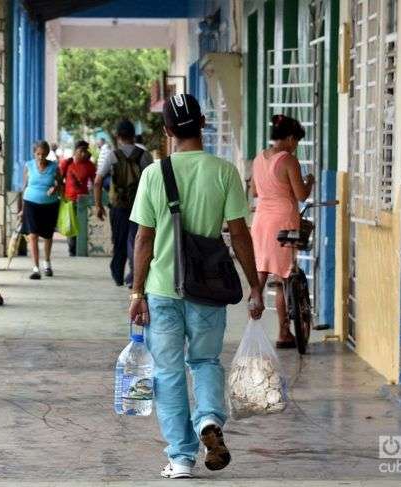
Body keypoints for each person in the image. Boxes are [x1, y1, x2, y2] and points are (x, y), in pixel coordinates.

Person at [128, 94, 265, 479]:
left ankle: (182, 458)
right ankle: (208, 420)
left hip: (162, 290)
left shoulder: (155, 174)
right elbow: (239, 235)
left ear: (167, 131)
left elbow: (144, 238)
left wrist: (136, 293)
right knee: (205, 362)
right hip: (207, 290)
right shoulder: (224, 172)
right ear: (202, 123)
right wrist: (255, 287)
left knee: (168, 373)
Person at [250, 114, 314, 348]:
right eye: (295, 140)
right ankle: (284, 333)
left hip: (261, 222)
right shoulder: (288, 160)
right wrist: (310, 182)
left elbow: (255, 192)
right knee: (283, 277)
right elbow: (301, 195)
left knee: (259, 276)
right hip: (284, 222)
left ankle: (252, 329)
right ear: (288, 138)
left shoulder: (258, 159)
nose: (295, 146)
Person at [94, 120, 153, 287]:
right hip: (140, 206)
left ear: (118, 136)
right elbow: (154, 182)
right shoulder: (144, 155)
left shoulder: (112, 155)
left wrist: (98, 205)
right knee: (138, 240)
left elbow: (98, 181)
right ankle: (135, 277)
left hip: (118, 206)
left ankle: (118, 274)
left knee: (119, 241)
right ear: (133, 136)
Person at [20, 140, 61, 280]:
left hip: (50, 205)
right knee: (33, 235)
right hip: (31, 203)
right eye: (38, 154)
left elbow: (60, 185)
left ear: (48, 153)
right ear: (34, 153)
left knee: (48, 235)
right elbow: (24, 187)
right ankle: (35, 267)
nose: (41, 157)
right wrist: (22, 209)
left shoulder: (54, 167)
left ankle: (47, 263)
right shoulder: (28, 166)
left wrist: (54, 188)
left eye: (43, 154)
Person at [59, 140, 97, 256]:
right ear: (75, 151)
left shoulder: (89, 165)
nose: (83, 154)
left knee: (80, 226)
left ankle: (79, 250)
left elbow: (95, 182)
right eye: (81, 151)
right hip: (69, 200)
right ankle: (71, 249)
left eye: (85, 151)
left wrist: (95, 199)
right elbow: (59, 180)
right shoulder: (67, 163)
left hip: (83, 201)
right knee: (70, 226)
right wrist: (61, 196)